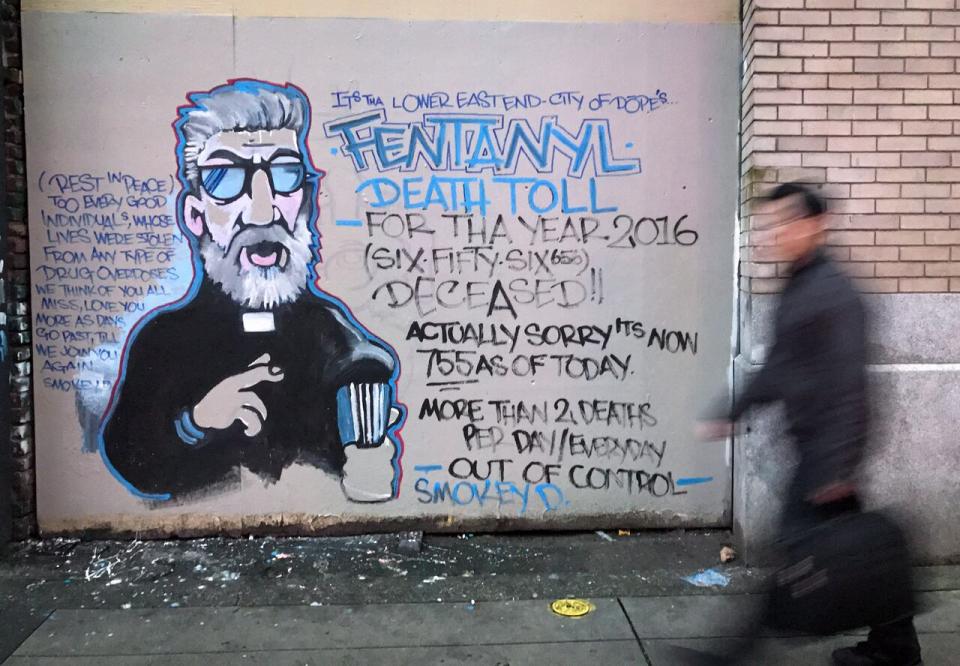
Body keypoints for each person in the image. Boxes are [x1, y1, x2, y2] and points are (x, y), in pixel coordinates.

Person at [101, 80, 404, 504]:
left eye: (284, 175)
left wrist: (366, 460)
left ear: (305, 203)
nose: (263, 209)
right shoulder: (166, 341)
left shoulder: (332, 340)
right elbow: (131, 457)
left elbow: (350, 442)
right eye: (226, 180)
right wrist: (197, 421)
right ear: (194, 215)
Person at [698, 182, 921, 666]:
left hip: (825, 456)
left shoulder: (832, 294)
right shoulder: (802, 284)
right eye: (768, 224)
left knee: (792, 555)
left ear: (816, 226)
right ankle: (896, 646)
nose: (771, 234)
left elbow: (849, 385)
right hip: (819, 450)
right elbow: (780, 366)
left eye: (783, 223)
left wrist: (838, 465)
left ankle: (730, 656)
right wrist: (732, 412)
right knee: (858, 553)